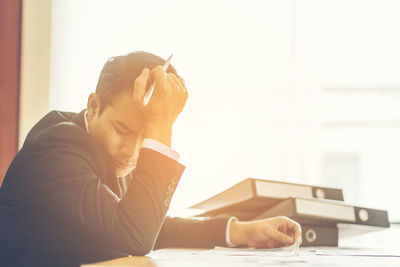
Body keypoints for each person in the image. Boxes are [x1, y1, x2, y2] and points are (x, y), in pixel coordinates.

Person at [0, 51, 301, 266]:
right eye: (123, 130)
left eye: (145, 139)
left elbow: (151, 225)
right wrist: (159, 126)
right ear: (93, 106)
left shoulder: (105, 149)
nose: (132, 152)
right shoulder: (58, 146)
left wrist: (239, 231)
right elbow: (133, 234)